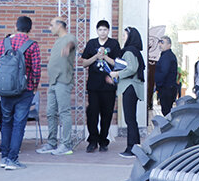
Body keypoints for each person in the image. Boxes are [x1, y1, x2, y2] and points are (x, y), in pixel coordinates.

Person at [0, 15, 40, 171]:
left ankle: (4, 157)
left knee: (6, 123)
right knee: (19, 124)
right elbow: (36, 70)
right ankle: (12, 159)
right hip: (25, 91)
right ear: (30, 29)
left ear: (15, 27)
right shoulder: (32, 45)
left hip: (5, 91)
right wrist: (34, 86)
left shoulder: (5, 42)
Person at [77, 19, 121, 152]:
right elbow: (84, 63)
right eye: (100, 30)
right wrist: (96, 56)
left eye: (105, 30)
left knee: (107, 114)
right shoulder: (91, 43)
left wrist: (105, 57)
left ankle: (103, 141)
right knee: (92, 113)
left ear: (108, 31)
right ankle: (92, 140)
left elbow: (117, 63)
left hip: (108, 86)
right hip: (94, 85)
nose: (103, 32)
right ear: (97, 31)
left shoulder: (114, 44)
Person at [40, 18, 78, 155]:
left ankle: (66, 144)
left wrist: (68, 47)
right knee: (50, 113)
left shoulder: (69, 37)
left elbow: (72, 43)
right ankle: (51, 143)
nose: (50, 28)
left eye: (51, 25)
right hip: (53, 82)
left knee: (64, 112)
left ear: (59, 25)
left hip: (63, 81)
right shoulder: (56, 41)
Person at [113, 27, 145, 158]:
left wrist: (117, 73)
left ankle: (132, 148)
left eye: (124, 35)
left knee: (130, 119)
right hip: (133, 88)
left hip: (130, 88)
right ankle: (135, 147)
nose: (122, 37)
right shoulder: (134, 51)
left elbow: (132, 68)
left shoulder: (130, 51)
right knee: (131, 119)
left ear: (131, 37)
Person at [154, 35, 179, 115]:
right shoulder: (166, 55)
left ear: (169, 45)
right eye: (159, 42)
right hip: (168, 88)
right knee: (167, 111)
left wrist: (157, 85)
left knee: (166, 112)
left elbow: (163, 72)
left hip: (166, 89)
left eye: (162, 42)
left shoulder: (167, 56)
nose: (160, 44)